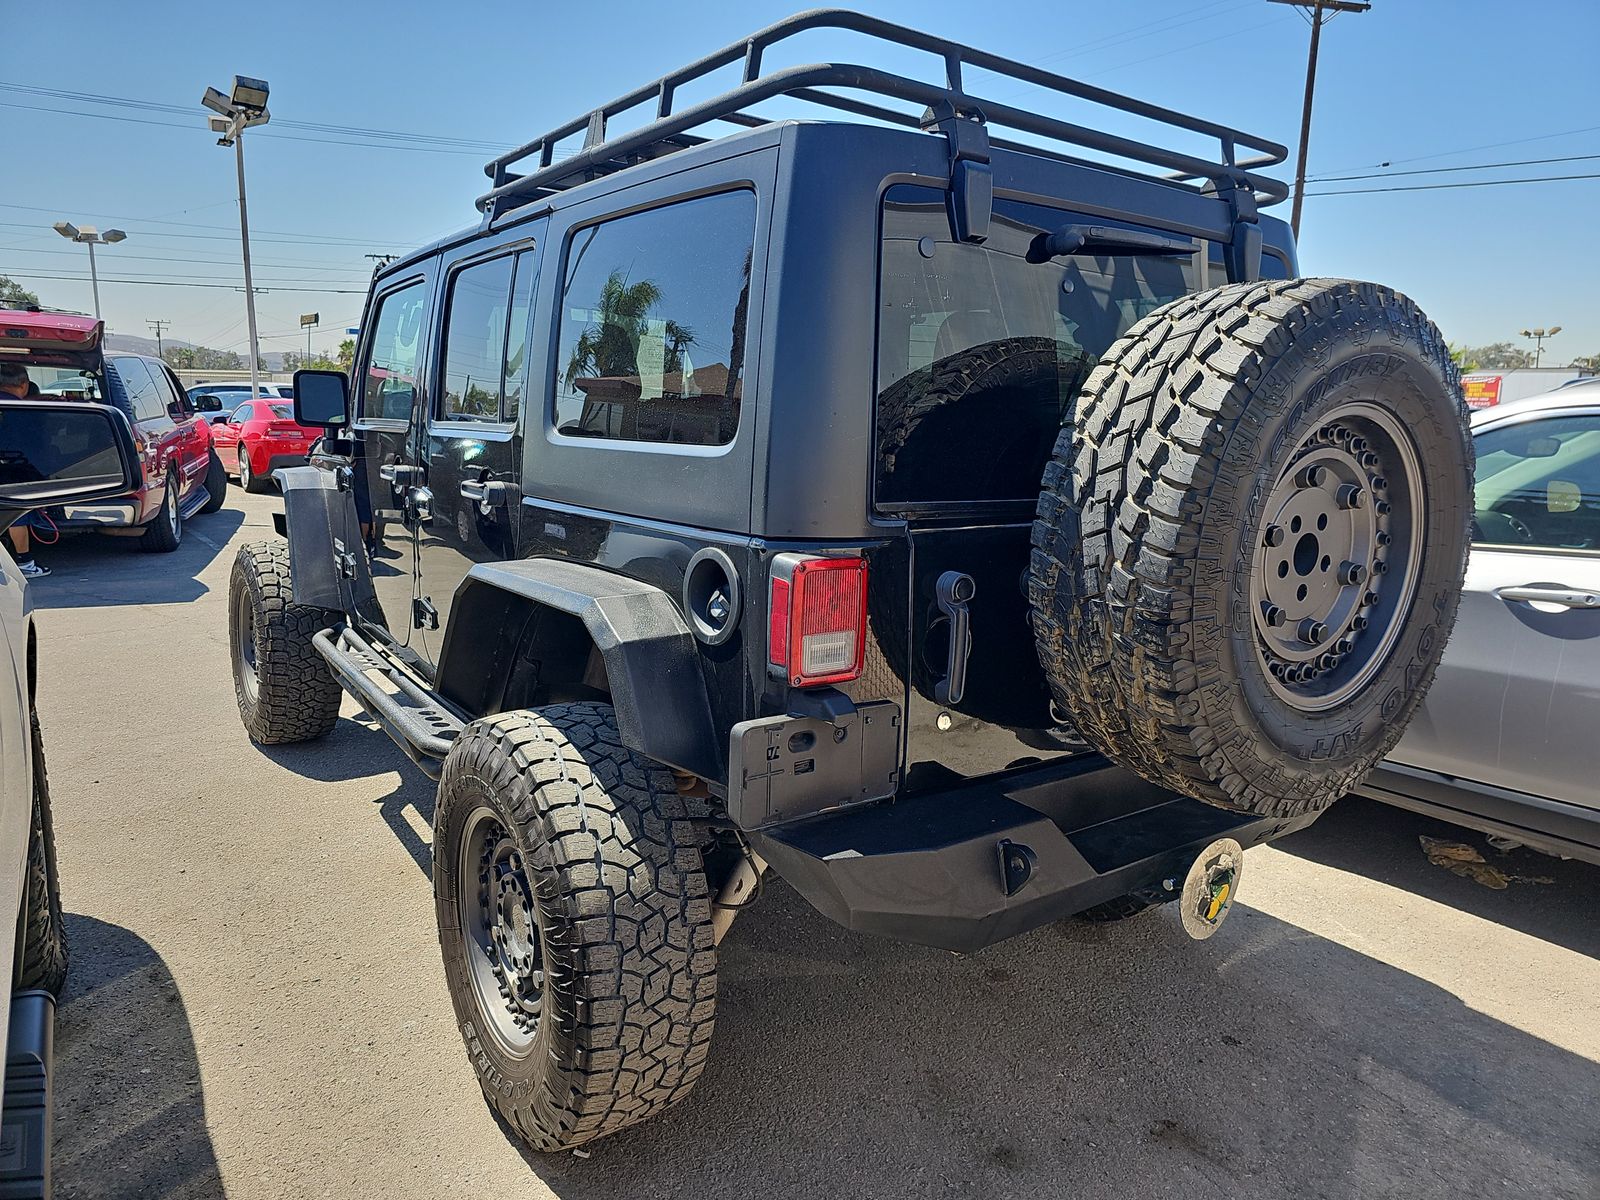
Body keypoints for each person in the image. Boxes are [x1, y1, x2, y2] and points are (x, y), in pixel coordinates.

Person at [1, 362, 49, 577]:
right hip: (13, 469)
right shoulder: (25, 411)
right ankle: (25, 563)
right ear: (24, 385)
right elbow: (37, 447)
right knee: (16, 513)